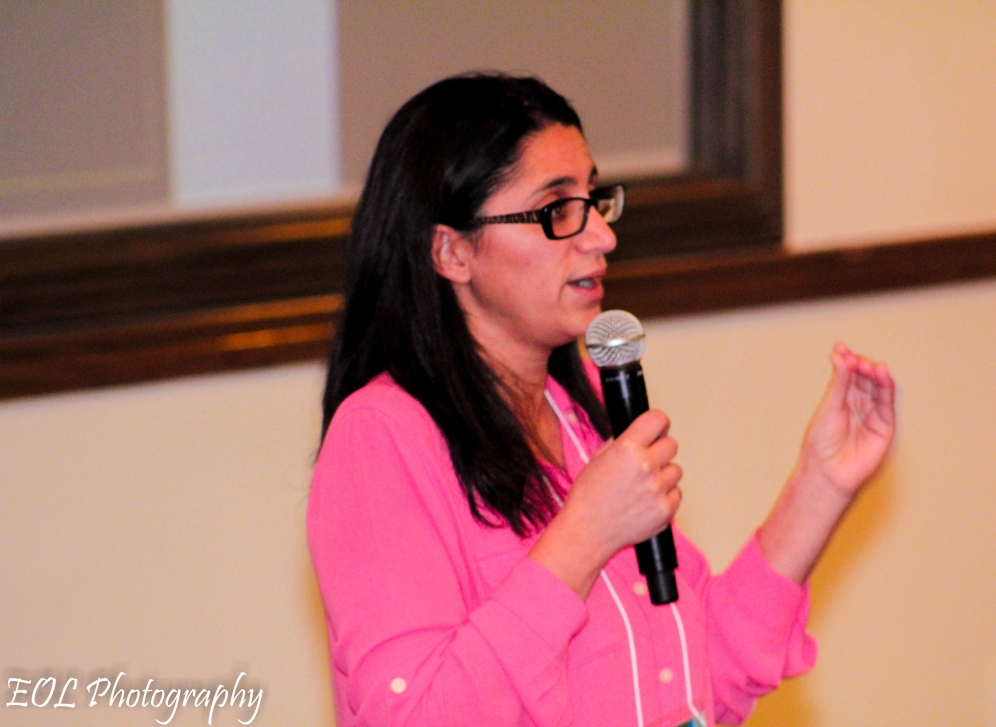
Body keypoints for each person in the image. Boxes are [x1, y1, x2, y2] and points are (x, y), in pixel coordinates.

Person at [308, 73, 895, 727]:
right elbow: (418, 715)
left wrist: (820, 485)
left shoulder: (583, 406)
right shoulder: (383, 437)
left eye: (594, 198)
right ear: (451, 250)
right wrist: (584, 534)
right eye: (558, 209)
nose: (601, 237)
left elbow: (700, 678)